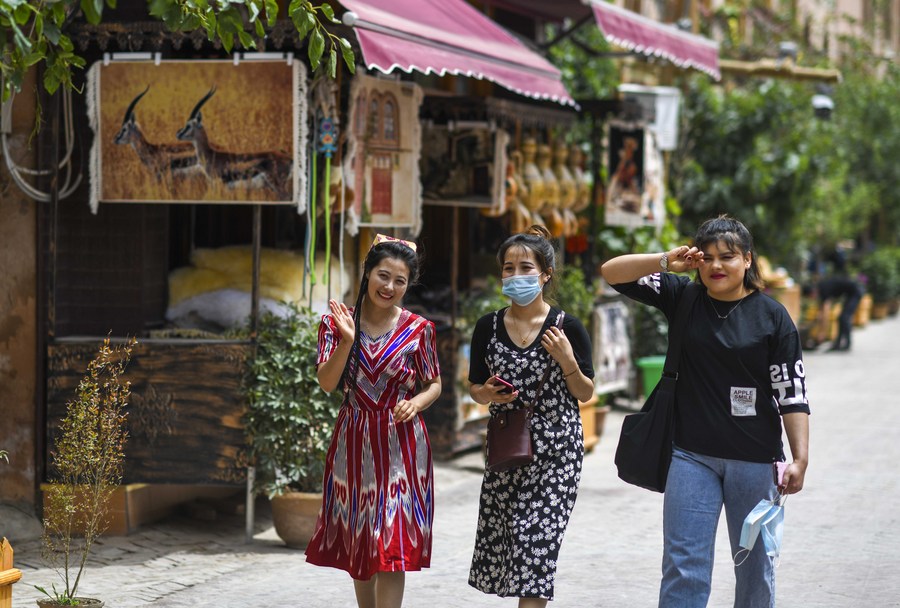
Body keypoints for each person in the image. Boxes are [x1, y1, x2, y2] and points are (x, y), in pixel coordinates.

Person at [600, 215, 810, 608]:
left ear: (747, 259)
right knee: (684, 566)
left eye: (727, 257)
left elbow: (791, 391)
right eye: (708, 257)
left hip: (754, 460)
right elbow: (612, 272)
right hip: (690, 456)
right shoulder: (683, 296)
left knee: (755, 566)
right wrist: (666, 260)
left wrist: (800, 458)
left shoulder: (772, 316)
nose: (716, 266)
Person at [306, 234, 442, 608]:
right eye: (383, 275)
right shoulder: (335, 323)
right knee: (362, 538)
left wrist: (416, 403)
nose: (389, 287)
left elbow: (434, 384)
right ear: (367, 272)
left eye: (400, 281)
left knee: (392, 540)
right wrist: (347, 341)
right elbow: (327, 382)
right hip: (354, 440)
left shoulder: (420, 329)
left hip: (402, 443)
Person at [467, 225, 595, 607]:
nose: (516, 275)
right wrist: (486, 393)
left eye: (525, 268)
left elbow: (586, 392)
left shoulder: (567, 327)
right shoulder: (487, 327)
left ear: (545, 274)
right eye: (508, 268)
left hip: (557, 454)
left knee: (534, 552)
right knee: (511, 549)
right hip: (507, 452)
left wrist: (568, 360)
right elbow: (474, 387)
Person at [815, 274, 864, 351]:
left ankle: (847, 343)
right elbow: (821, 310)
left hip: (856, 292)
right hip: (850, 293)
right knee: (841, 318)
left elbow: (825, 313)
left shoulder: (824, 289)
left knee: (844, 318)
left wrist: (822, 333)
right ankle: (838, 344)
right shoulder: (822, 287)